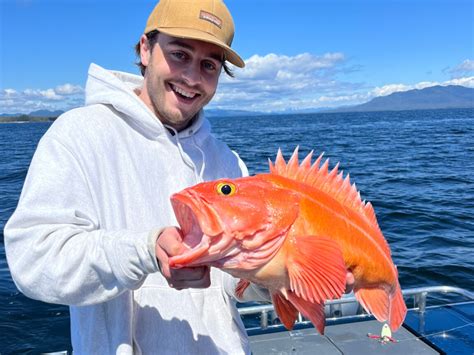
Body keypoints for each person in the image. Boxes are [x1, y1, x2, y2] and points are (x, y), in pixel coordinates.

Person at [5, 0, 353, 353]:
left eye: (208, 65)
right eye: (179, 55)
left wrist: (287, 277)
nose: (191, 78)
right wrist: (146, 251)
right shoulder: (80, 134)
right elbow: (33, 260)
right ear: (145, 49)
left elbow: (233, 283)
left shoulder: (226, 161)